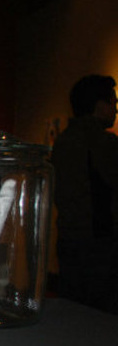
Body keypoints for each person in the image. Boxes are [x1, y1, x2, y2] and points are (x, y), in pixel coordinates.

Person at [50, 74, 118, 313]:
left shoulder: (64, 141)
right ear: (100, 105)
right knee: (102, 317)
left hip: (70, 238)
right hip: (99, 242)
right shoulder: (102, 143)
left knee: (73, 311)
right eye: (113, 103)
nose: (115, 110)